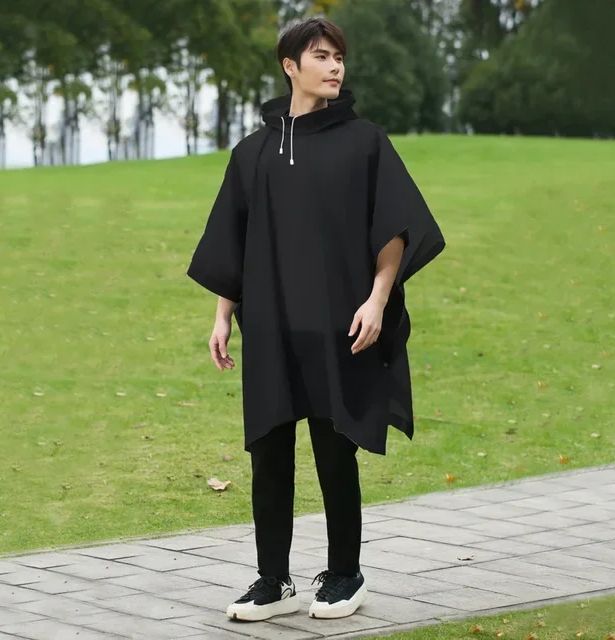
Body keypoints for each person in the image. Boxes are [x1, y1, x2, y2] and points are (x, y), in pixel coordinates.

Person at [187, 16, 445, 623]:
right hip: (270, 326)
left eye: (338, 57)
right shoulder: (252, 153)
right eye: (322, 57)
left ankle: (345, 575)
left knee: (335, 451)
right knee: (268, 452)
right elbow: (232, 240)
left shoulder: (364, 143)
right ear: (290, 66)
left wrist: (377, 300)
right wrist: (222, 316)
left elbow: (394, 228)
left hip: (338, 323)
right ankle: (272, 580)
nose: (335, 67)